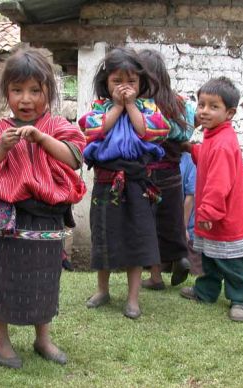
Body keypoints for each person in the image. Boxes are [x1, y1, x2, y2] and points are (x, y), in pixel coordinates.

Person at [0, 46, 86, 368]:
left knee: (44, 281)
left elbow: (75, 156)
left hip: (47, 221)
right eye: (17, 90)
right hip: (8, 219)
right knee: (3, 278)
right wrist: (0, 150)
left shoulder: (59, 126)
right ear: (6, 92)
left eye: (35, 90)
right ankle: (2, 341)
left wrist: (41, 139)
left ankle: (42, 338)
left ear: (48, 91)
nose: (26, 98)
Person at [78, 47, 170, 319]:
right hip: (107, 182)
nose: (124, 87)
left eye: (131, 81)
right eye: (116, 81)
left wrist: (129, 105)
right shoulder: (100, 108)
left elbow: (148, 131)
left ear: (141, 83)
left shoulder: (148, 107)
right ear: (105, 83)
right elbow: (95, 130)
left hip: (137, 183)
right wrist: (117, 106)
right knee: (103, 235)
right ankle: (103, 289)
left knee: (137, 237)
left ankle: (132, 298)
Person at [180, 76, 243, 322]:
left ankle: (241, 300)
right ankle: (206, 291)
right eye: (201, 104)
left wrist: (206, 215)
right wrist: (191, 149)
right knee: (210, 259)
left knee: (231, 263)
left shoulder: (223, 143)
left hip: (226, 217)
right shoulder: (214, 136)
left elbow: (218, 184)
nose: (204, 111)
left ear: (230, 113)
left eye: (213, 107)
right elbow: (206, 155)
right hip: (214, 216)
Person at [138, 49, 196, 291]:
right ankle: (180, 256)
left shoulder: (142, 107)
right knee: (170, 221)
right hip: (172, 173)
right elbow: (186, 133)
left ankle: (155, 276)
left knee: (148, 225)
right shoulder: (178, 104)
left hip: (146, 174)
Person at [180, 152, 202, 276]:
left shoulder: (189, 161)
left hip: (189, 231)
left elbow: (190, 197)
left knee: (193, 270)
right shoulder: (161, 159)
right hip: (170, 229)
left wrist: (183, 226)